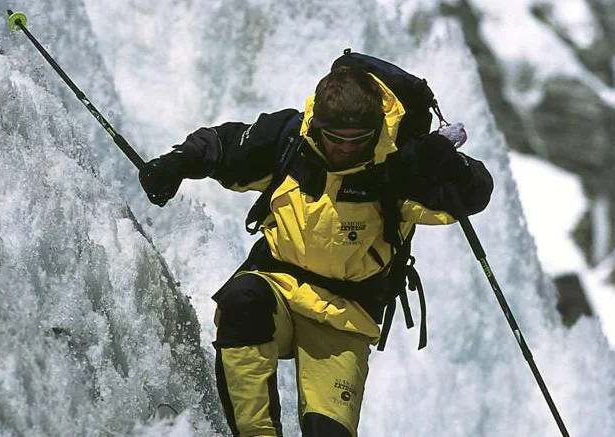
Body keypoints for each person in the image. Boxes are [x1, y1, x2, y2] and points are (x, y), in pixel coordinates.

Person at [138, 66, 493, 437]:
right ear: (317, 124)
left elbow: (476, 192)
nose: (345, 148)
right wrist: (175, 164)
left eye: (359, 139)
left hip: (345, 318)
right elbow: (221, 145)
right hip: (277, 288)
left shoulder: (399, 167)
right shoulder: (292, 143)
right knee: (242, 301)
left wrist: (444, 161)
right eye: (335, 137)